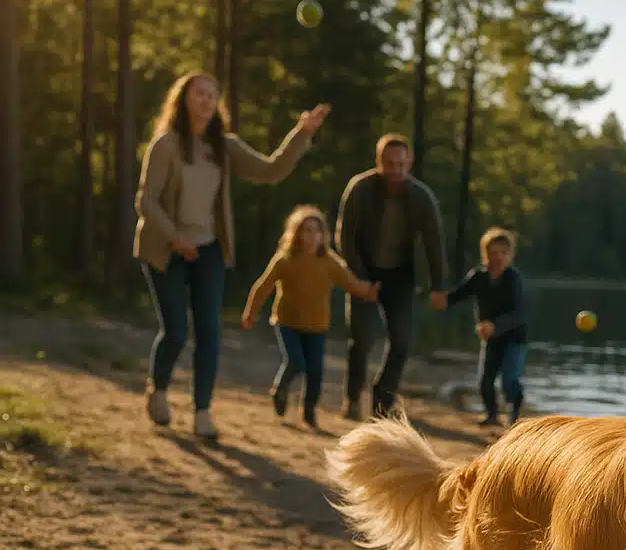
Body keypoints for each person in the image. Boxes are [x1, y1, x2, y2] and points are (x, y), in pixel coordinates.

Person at [135, 70, 329, 440]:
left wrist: (302, 133)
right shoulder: (166, 145)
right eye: (199, 93)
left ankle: (202, 413)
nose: (206, 100)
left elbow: (271, 170)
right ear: (183, 99)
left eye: (212, 95)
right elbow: (146, 201)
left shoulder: (224, 147)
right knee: (175, 330)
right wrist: (175, 237)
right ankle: (157, 389)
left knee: (209, 331)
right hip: (165, 247)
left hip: (208, 248)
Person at [334, 134, 448, 420]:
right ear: (378, 163)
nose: (395, 170)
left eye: (401, 164)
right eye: (389, 164)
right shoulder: (360, 189)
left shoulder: (421, 197)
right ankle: (352, 398)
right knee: (361, 339)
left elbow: (434, 243)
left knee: (402, 342)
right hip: (363, 270)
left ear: (409, 163)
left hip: (400, 275)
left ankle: (382, 400)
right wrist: (360, 279)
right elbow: (345, 237)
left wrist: (438, 285)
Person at [240, 206, 379, 430]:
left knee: (315, 371)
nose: (312, 236)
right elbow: (263, 286)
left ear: (323, 235)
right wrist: (251, 312)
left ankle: (309, 411)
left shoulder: (329, 261)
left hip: (316, 326)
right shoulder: (285, 259)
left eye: (317, 231)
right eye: (307, 230)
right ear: (296, 233)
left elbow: (350, 283)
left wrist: (370, 291)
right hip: (287, 322)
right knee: (296, 361)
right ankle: (281, 389)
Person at [446, 228, 532, 427]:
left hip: (514, 338)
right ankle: (492, 415)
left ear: (510, 255)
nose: (498, 257)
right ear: (485, 254)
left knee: (510, 381)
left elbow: (519, 313)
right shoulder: (478, 277)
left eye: (504, 253)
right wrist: (440, 298)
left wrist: (495, 326)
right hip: (491, 339)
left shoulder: (513, 278)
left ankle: (514, 415)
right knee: (485, 381)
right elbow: (458, 295)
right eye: (493, 252)